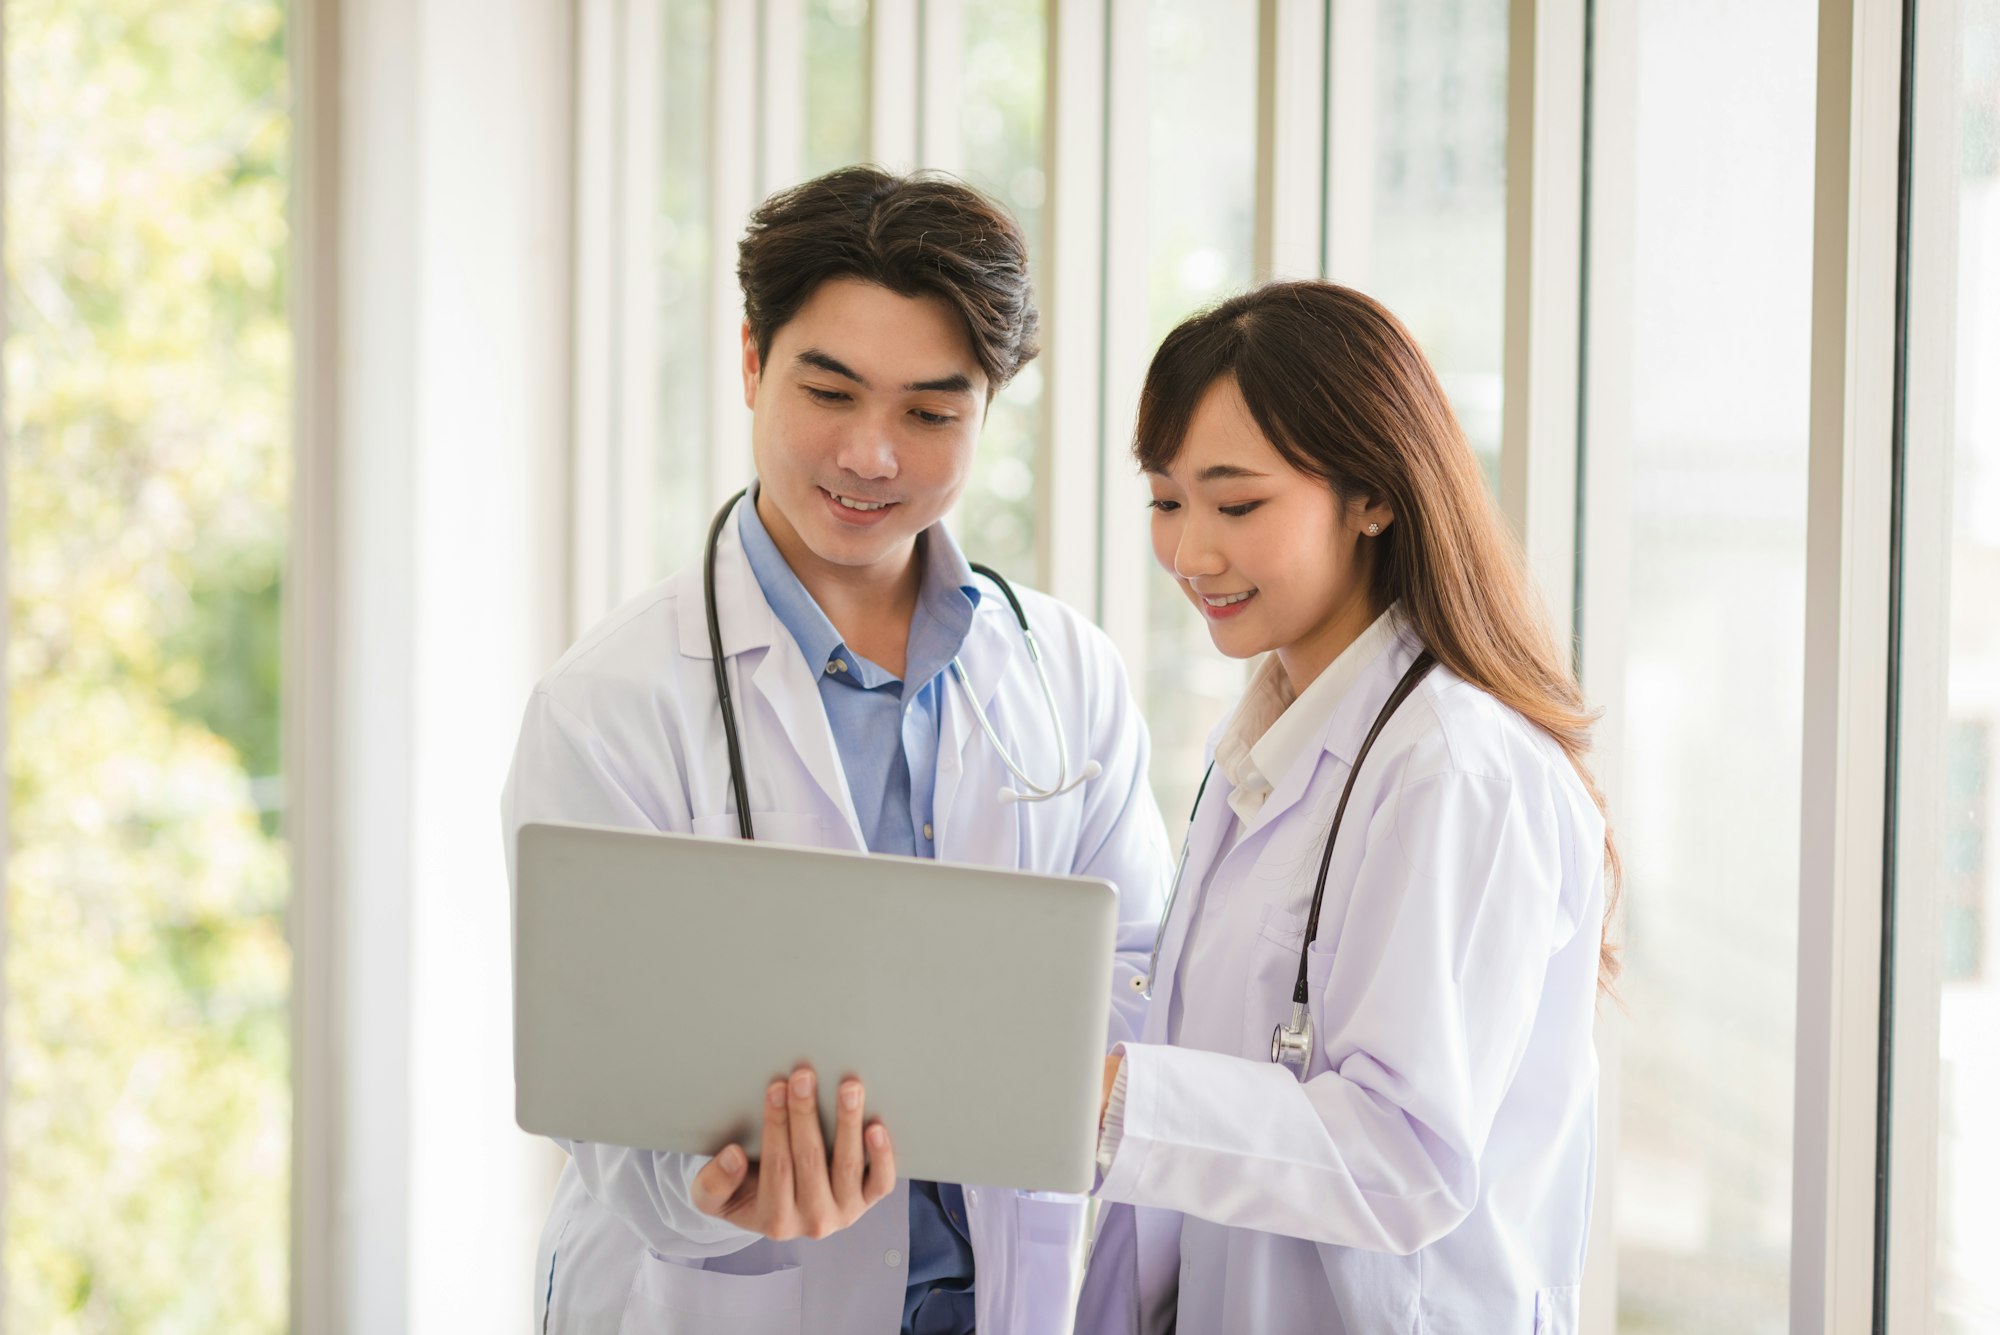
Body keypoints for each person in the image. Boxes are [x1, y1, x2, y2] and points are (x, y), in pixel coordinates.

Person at [502, 166, 1170, 1335]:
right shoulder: (608, 707)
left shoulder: (1066, 674)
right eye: (830, 391)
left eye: (929, 412)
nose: (870, 456)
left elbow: (1140, 975)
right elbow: (600, 1094)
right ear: (752, 361)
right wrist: (726, 1199)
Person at [1076, 281, 1618, 1335]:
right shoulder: (1269, 743)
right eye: (1165, 501)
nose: (1191, 553)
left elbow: (1402, 1157)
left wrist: (1105, 1096)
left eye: (1236, 505)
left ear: (1371, 496)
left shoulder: (1452, 771)